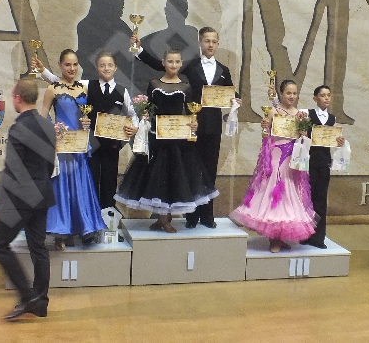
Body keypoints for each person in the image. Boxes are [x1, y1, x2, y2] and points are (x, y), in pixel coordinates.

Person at [134, 27, 240, 229]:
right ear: (200, 43)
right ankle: (191, 216)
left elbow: (230, 93)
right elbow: (162, 66)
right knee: (191, 171)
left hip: (213, 127)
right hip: (190, 127)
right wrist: (139, 51)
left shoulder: (224, 70)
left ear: (217, 44)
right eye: (207, 41)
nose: (210, 45)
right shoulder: (190, 66)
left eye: (214, 41)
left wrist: (236, 101)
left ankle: (207, 216)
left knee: (210, 171)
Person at [114, 49, 218, 232]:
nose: (173, 65)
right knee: (156, 177)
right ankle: (162, 218)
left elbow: (190, 112)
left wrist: (194, 123)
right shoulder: (154, 84)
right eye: (170, 61)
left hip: (178, 141)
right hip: (158, 138)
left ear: (181, 64)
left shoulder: (185, 87)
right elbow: (149, 109)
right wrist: (145, 119)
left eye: (177, 62)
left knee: (173, 176)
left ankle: (166, 219)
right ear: (163, 63)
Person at [0, 80, 56, 321]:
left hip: (21, 198)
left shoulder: (18, 129)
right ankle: (40, 303)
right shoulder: (47, 125)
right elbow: (49, 164)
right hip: (43, 194)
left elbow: (12, 170)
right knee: (38, 248)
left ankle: (27, 297)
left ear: (17, 99)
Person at [34, 51, 138, 209]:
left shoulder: (122, 91)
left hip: (112, 145)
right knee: (91, 182)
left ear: (116, 67)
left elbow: (132, 114)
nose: (106, 68)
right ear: (96, 68)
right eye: (102, 65)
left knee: (110, 181)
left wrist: (134, 127)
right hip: (90, 145)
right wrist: (43, 71)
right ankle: (92, 215)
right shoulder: (86, 85)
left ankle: (109, 217)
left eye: (110, 65)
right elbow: (61, 83)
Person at [230, 79, 316, 253]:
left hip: (292, 158)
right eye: (288, 93)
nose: (291, 96)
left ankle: (281, 236)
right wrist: (265, 128)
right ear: (281, 93)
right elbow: (266, 136)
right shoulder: (273, 112)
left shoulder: (301, 115)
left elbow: (305, 139)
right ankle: (273, 238)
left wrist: (303, 134)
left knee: (290, 194)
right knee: (275, 190)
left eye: (294, 93)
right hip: (276, 154)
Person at [40, 49, 106, 250]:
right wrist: (52, 130)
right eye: (67, 64)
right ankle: (61, 233)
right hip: (61, 146)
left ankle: (80, 228)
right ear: (60, 65)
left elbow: (87, 115)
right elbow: (43, 117)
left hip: (79, 146)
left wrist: (87, 122)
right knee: (62, 189)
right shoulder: (52, 89)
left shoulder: (83, 88)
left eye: (75, 64)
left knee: (79, 187)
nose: (72, 68)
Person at [301, 85, 345, 249]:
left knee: (321, 199)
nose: (326, 98)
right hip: (309, 161)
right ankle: (305, 235)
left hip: (324, 162)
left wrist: (339, 142)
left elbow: (333, 140)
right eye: (322, 95)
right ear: (315, 98)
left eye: (328, 95)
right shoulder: (307, 114)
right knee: (307, 199)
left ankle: (319, 237)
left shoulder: (332, 119)